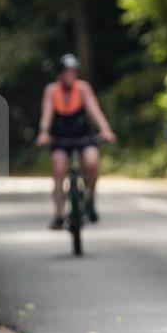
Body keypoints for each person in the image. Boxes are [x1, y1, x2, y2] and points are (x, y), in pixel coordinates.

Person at [35, 54, 116, 229]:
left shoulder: (82, 89)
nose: (70, 76)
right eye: (66, 73)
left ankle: (90, 198)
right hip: (60, 137)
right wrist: (44, 133)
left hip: (83, 136)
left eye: (73, 73)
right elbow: (47, 114)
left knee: (92, 163)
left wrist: (105, 129)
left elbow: (94, 110)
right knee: (58, 171)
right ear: (60, 74)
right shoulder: (51, 90)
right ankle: (58, 214)